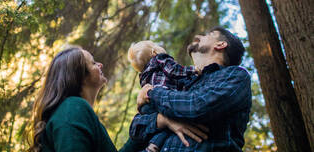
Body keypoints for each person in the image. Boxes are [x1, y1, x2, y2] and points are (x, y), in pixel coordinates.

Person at [27, 47, 207, 152]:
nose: (100, 64)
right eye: (93, 63)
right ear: (78, 76)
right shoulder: (72, 109)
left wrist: (160, 120)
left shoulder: (76, 110)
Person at [129, 26, 252, 151]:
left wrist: (150, 93)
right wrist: (164, 120)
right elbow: (135, 129)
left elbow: (197, 105)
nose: (198, 36)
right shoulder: (182, 83)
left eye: (209, 34)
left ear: (220, 44)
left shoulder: (235, 75)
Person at [128, 41, 200, 152]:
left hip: (147, 106)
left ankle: (152, 146)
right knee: (173, 119)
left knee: (166, 125)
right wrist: (193, 70)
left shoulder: (143, 74)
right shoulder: (160, 58)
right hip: (161, 100)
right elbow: (173, 70)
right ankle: (154, 145)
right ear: (154, 52)